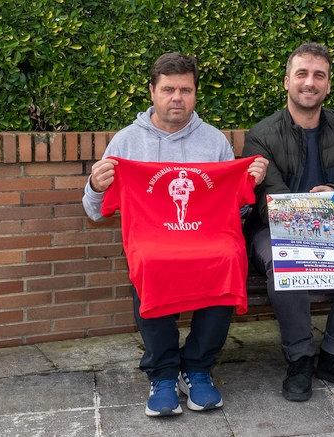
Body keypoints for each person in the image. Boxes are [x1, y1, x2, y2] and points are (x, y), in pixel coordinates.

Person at [81, 52, 268, 417]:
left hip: (207, 238)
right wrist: (95, 185)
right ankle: (163, 374)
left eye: (186, 89)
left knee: (230, 256)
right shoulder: (126, 143)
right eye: (168, 89)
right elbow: (93, 211)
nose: (177, 98)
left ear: (196, 94)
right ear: (152, 91)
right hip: (152, 240)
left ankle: (197, 368)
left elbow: (234, 211)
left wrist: (249, 184)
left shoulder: (214, 142)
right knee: (150, 261)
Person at [241, 42, 334, 402]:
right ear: (287, 81)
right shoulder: (261, 135)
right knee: (283, 261)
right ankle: (301, 358)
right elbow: (267, 206)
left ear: (328, 84)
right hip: (274, 230)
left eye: (318, 75)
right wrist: (312, 211)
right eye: (302, 74)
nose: (310, 82)